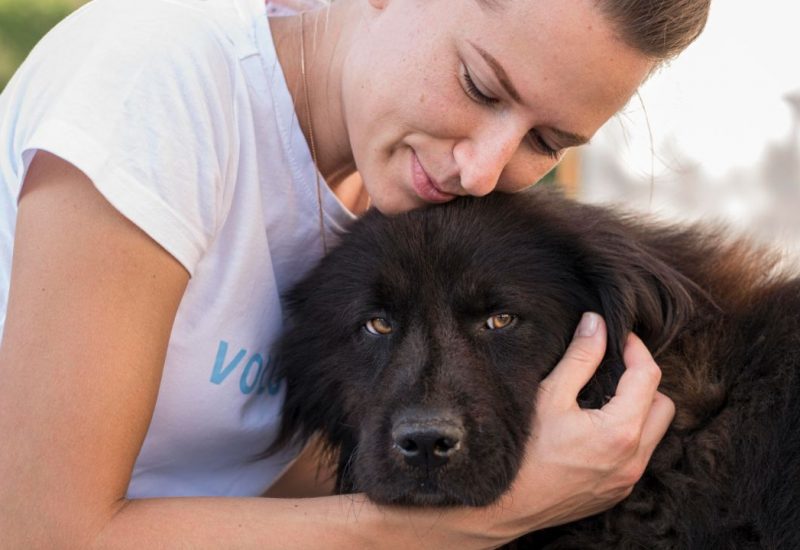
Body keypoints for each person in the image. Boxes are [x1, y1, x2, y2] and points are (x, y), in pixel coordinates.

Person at [0, 0, 710, 546]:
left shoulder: (395, 183)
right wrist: (491, 517)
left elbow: (286, 468)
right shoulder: (159, 86)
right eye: (480, 86)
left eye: (544, 140)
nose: (484, 168)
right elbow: (44, 534)